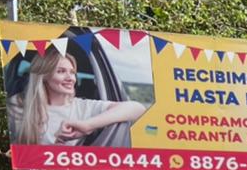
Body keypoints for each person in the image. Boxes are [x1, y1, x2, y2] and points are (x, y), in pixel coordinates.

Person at [8, 48, 146, 146]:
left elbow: (137, 108)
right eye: (61, 71)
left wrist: (87, 125)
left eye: (73, 72)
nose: (71, 78)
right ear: (44, 77)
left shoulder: (82, 107)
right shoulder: (17, 104)